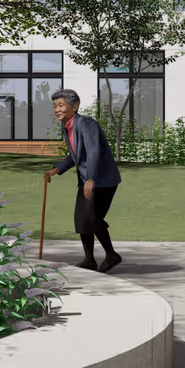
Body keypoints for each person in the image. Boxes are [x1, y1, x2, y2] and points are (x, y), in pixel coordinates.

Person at [46, 88, 123, 272]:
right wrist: (57, 169)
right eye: (55, 106)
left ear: (75, 106)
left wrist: (91, 179)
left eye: (61, 105)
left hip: (101, 180)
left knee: (92, 219)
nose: (57, 110)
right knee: (82, 220)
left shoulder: (86, 123)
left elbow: (93, 151)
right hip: (86, 179)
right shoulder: (67, 126)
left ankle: (112, 255)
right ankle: (89, 260)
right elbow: (76, 155)